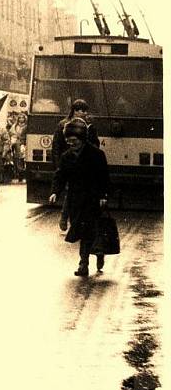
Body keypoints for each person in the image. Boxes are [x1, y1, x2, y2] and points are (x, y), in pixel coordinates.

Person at [49, 118, 109, 277]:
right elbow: (60, 176)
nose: (71, 144)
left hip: (93, 199)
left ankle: (85, 263)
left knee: (89, 230)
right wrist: (55, 191)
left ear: (82, 138)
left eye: (74, 140)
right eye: (68, 141)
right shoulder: (66, 156)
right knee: (82, 231)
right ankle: (90, 257)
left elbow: (104, 177)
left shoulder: (97, 155)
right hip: (75, 200)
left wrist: (103, 195)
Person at [52, 99, 100, 232]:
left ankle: (69, 218)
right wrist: (58, 165)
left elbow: (96, 144)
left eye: (85, 110)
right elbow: (56, 146)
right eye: (81, 110)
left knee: (76, 192)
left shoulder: (89, 126)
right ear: (74, 110)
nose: (84, 113)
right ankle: (67, 217)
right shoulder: (63, 125)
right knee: (72, 192)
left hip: (85, 164)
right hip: (68, 163)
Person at [10, 113, 28, 183]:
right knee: (18, 159)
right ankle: (19, 175)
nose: (21, 119)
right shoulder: (15, 126)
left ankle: (23, 174)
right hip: (16, 144)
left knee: (23, 159)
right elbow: (11, 133)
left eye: (22, 118)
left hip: (24, 144)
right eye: (20, 118)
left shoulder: (26, 126)